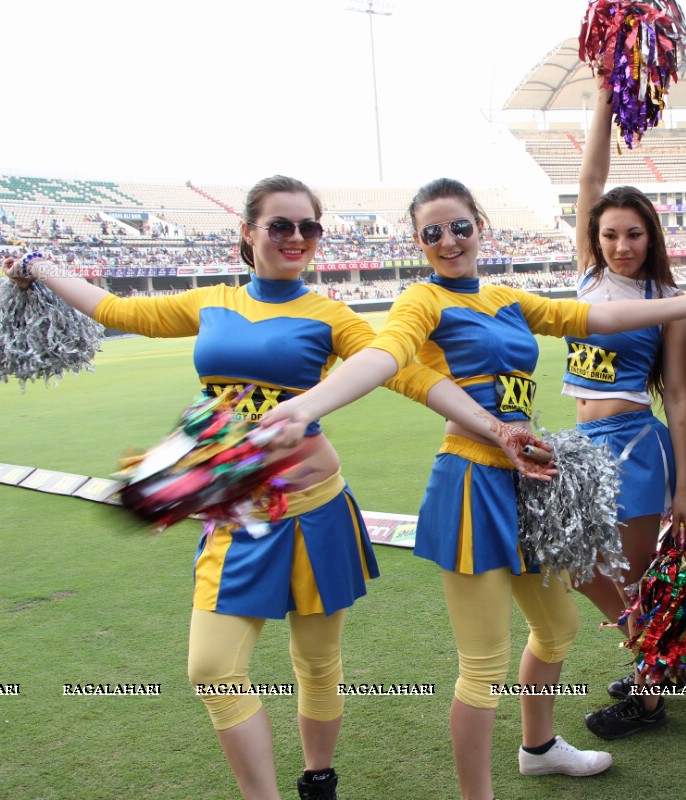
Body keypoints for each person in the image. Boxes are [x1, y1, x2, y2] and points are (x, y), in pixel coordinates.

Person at [2, 175, 547, 800]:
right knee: (212, 670)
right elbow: (112, 309)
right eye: (280, 226)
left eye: (308, 228)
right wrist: (39, 266)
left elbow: (408, 375)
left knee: (316, 666)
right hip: (238, 516)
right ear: (248, 232)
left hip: (317, 511)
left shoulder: (331, 314)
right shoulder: (212, 301)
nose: (295, 238)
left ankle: (319, 780)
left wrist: (496, 429)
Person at [259, 177, 686, 800]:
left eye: (460, 226)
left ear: (480, 227)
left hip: (530, 482)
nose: (448, 240)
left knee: (557, 629)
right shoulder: (421, 301)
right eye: (432, 232)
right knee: (483, 665)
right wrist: (307, 406)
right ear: (418, 242)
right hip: (471, 486)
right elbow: (385, 358)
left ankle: (537, 747)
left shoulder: (508, 298)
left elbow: (598, 315)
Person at [564, 81, 686, 739]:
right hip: (578, 443)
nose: (621, 244)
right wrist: (601, 95)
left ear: (651, 237)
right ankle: (655, 656)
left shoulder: (666, 298)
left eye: (634, 234)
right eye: (611, 233)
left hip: (632, 447)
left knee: (627, 579)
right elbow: (591, 173)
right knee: (575, 564)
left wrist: (680, 486)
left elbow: (675, 395)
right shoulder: (588, 271)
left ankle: (649, 694)